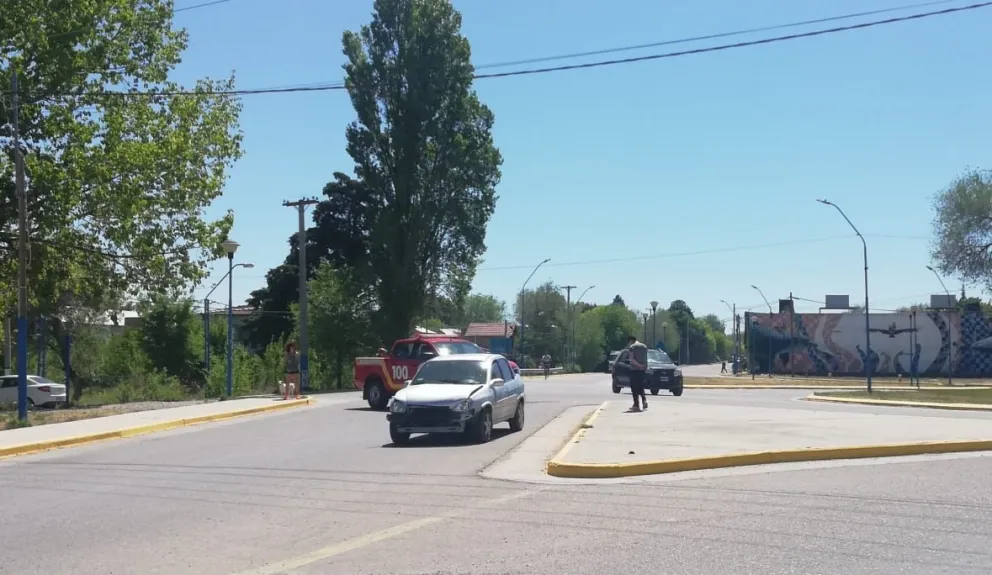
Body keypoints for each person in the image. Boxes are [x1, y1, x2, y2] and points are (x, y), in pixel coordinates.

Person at [626, 335, 648, 411]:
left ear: (631, 341)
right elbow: (645, 358)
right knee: (641, 386)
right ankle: (644, 401)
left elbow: (631, 359)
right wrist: (643, 366)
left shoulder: (632, 347)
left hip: (634, 369)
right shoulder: (644, 346)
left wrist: (638, 365)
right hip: (643, 369)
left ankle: (636, 405)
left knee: (634, 387)